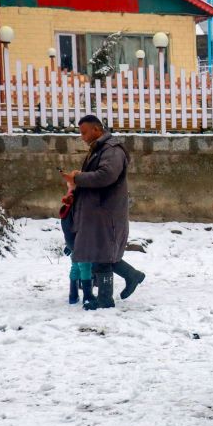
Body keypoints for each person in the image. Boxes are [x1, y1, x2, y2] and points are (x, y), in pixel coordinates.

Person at [61, 115, 144, 310]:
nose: (81, 136)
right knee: (100, 252)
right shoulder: (101, 149)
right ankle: (132, 276)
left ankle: (106, 299)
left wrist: (78, 178)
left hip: (107, 211)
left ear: (96, 130)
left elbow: (106, 176)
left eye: (84, 132)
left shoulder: (112, 150)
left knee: (102, 255)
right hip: (98, 211)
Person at [58, 180, 94, 307]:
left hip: (72, 241)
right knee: (85, 266)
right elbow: (82, 225)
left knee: (75, 266)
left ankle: (73, 295)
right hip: (80, 241)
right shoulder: (79, 204)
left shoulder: (68, 202)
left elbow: (66, 226)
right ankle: (87, 296)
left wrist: (69, 244)